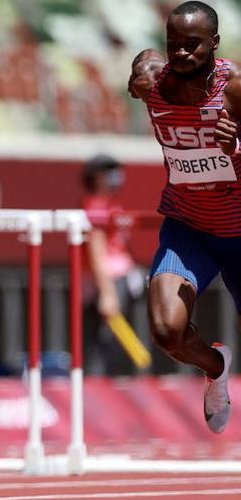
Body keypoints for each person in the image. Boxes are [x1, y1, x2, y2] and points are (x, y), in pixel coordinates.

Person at [129, 1, 241, 434]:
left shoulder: (233, 90)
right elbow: (140, 70)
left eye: (192, 46)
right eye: (173, 45)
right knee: (165, 331)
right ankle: (216, 367)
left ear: (214, 43)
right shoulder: (151, 84)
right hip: (189, 226)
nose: (181, 55)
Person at [80, 153, 144, 374]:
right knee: (103, 343)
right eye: (109, 171)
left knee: (114, 345)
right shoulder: (96, 204)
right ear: (96, 177)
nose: (116, 176)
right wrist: (107, 292)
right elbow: (95, 248)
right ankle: (98, 393)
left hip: (119, 278)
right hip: (107, 281)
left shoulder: (111, 203)